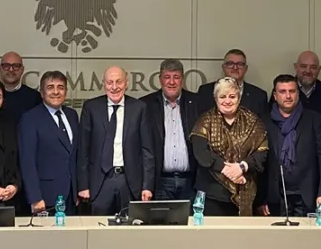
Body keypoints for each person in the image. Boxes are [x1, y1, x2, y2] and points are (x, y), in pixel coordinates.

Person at [77, 66, 156, 215]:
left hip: (129, 182)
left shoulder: (139, 108)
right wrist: (83, 185)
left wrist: (147, 186)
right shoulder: (91, 108)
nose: (114, 87)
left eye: (119, 82)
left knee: (130, 226)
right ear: (103, 84)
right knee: (98, 226)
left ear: (127, 83)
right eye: (110, 82)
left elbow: (147, 151)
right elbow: (83, 150)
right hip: (99, 183)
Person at [191, 77, 268, 216]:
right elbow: (201, 153)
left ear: (239, 98)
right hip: (212, 195)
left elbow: (262, 152)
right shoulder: (204, 121)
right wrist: (229, 171)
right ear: (216, 99)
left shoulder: (253, 121)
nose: (227, 101)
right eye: (222, 97)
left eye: (232, 96)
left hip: (245, 192)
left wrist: (242, 167)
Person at [259, 74, 321, 217]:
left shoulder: (314, 119)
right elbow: (260, 162)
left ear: (298, 94)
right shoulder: (264, 122)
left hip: (307, 195)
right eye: (282, 91)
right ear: (275, 96)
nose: (288, 96)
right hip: (275, 197)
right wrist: (261, 199)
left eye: (292, 91)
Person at [18, 71, 80, 214]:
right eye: (50, 87)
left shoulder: (72, 115)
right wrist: (35, 197)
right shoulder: (30, 119)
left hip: (71, 196)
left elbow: (74, 155)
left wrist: (77, 188)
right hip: (45, 197)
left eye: (60, 87)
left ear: (66, 91)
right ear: (42, 92)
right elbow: (27, 162)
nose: (56, 92)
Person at [141, 59, 200, 202]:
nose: (171, 82)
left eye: (176, 77)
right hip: (160, 182)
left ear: (182, 79)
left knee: (192, 217)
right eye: (167, 77)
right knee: (162, 217)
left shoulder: (196, 103)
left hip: (191, 182)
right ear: (160, 79)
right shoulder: (145, 104)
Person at [268, 51, 321, 130]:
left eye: (313, 67)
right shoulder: (281, 92)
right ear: (296, 67)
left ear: (319, 69)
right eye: (303, 66)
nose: (308, 71)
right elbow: (270, 123)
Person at [197, 49, 268, 117]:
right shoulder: (205, 92)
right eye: (230, 64)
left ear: (245, 69)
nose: (235, 67)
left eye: (240, 64)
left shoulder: (259, 96)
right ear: (223, 67)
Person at [0, 51, 42, 122]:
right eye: (6, 66)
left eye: (16, 66)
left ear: (22, 69)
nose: (11, 70)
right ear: (0, 68)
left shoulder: (35, 97)